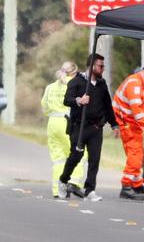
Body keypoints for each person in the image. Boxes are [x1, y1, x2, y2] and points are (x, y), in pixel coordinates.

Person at [58, 54, 119, 202]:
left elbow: (107, 106)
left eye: (103, 66)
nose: (103, 69)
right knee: (76, 156)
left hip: (96, 127)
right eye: (100, 66)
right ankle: (63, 180)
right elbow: (67, 100)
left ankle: (90, 189)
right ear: (92, 66)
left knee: (95, 159)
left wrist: (114, 124)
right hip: (79, 126)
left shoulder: (101, 84)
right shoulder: (77, 82)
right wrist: (79, 100)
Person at [113, 64, 144, 201]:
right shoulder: (134, 85)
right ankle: (126, 187)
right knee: (134, 155)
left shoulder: (138, 83)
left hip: (132, 124)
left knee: (137, 155)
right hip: (128, 124)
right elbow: (137, 111)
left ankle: (136, 184)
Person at [42, 61, 86, 198]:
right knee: (78, 153)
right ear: (74, 72)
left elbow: (45, 107)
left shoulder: (50, 87)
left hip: (53, 123)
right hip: (69, 122)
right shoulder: (75, 85)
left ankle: (58, 191)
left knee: (58, 159)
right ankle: (74, 183)